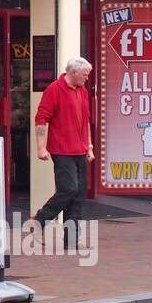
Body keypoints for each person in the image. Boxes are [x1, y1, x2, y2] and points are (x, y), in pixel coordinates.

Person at [31, 56, 94, 230]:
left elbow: (86, 120)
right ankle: (40, 219)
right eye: (84, 75)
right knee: (69, 189)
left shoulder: (82, 90)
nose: (87, 78)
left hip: (80, 150)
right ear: (73, 72)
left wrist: (89, 146)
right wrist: (41, 147)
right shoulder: (54, 89)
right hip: (62, 150)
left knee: (79, 194)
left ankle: (71, 239)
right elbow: (41, 119)